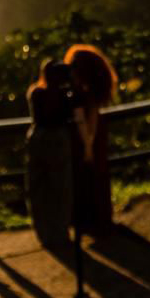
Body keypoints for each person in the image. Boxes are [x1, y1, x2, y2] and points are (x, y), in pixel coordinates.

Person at [65, 44, 117, 236]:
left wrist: (88, 146)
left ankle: (88, 222)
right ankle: (99, 219)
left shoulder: (79, 92)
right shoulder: (91, 92)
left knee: (85, 179)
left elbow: (83, 121)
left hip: (83, 140)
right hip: (93, 138)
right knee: (97, 178)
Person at [25, 60, 75, 250]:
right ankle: (60, 232)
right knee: (61, 188)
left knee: (39, 189)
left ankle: (45, 233)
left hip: (37, 139)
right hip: (58, 140)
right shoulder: (64, 95)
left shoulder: (36, 93)